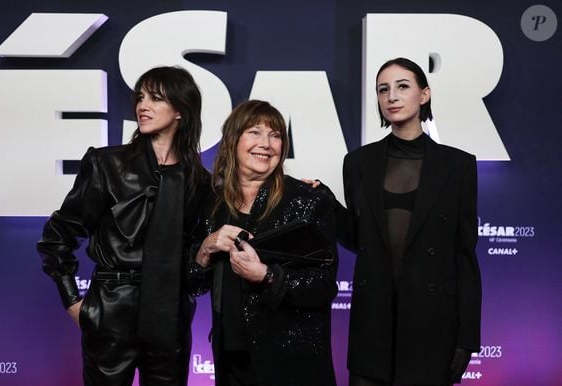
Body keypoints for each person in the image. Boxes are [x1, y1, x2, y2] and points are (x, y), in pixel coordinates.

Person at [37, 66, 210, 386]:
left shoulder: (199, 181)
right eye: (141, 97)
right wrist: (74, 302)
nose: (143, 105)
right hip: (112, 309)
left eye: (156, 98)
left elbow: (197, 257)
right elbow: (58, 235)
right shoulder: (106, 164)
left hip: (170, 316)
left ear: (180, 111)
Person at [337, 57, 481, 386]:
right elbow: (358, 237)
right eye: (383, 90)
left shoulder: (458, 166)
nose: (391, 97)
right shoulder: (358, 163)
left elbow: (465, 255)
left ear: (424, 95)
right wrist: (325, 206)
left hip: (432, 324)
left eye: (403, 87)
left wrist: (468, 337)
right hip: (372, 324)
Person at [188, 100, 338, 386]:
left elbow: (324, 284)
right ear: (233, 140)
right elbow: (194, 285)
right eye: (255, 132)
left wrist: (268, 276)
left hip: (291, 362)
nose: (266, 144)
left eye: (276, 135)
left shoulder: (307, 200)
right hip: (231, 359)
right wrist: (205, 249)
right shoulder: (212, 204)